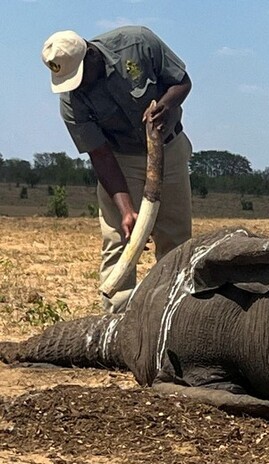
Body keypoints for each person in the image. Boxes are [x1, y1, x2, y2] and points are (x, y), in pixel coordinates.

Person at [41, 26, 193, 313]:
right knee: (119, 240)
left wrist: (166, 106)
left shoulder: (137, 43)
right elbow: (100, 156)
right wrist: (125, 210)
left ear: (92, 56)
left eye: (78, 76)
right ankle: (117, 319)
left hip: (168, 149)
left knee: (176, 238)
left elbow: (182, 82)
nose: (76, 86)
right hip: (120, 159)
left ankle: (177, 312)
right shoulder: (71, 100)